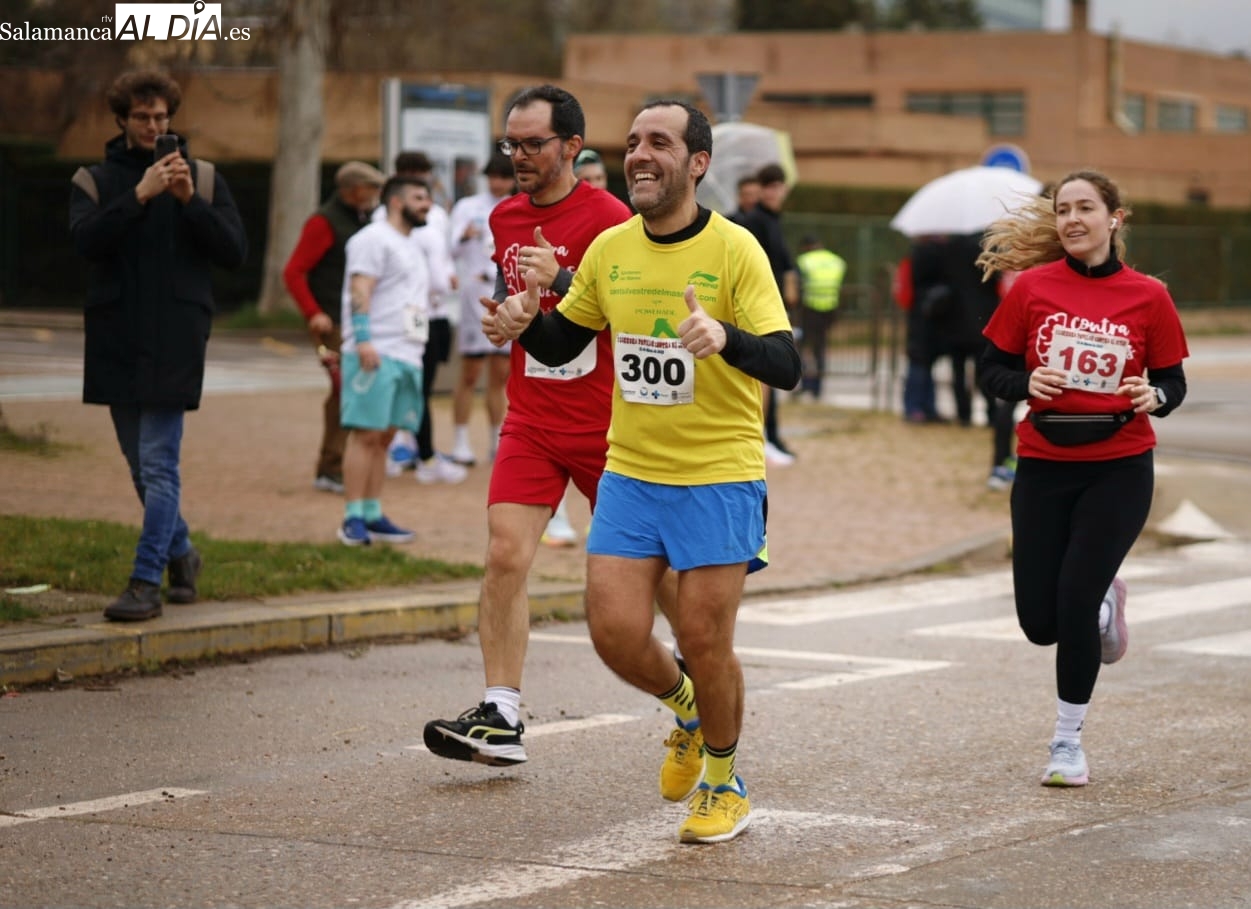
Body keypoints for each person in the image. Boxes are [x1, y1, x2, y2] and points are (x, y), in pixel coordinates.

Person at [489, 100, 801, 844]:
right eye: (631, 142)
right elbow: (567, 342)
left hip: (717, 473)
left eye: (658, 142)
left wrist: (724, 335)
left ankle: (724, 779)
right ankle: (689, 710)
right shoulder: (611, 248)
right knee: (614, 631)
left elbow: (787, 363)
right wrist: (526, 319)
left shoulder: (735, 250)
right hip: (630, 469)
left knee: (702, 634)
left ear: (696, 163)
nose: (638, 154)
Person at [423, 85, 685, 779]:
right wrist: (509, 317)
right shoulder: (504, 216)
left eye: (533, 144)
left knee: (651, 572)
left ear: (571, 145)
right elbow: (531, 312)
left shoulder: (613, 218)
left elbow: (623, 308)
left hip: (606, 425)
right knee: (505, 553)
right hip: (532, 417)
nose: (519, 157)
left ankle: (700, 677)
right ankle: (501, 714)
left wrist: (564, 276)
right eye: (511, 144)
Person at [976, 169, 1189, 787]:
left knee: (1070, 601)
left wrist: (1155, 394)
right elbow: (989, 370)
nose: (1072, 219)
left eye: (1085, 208)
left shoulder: (1149, 296)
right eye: (1063, 209)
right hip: (1043, 463)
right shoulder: (1032, 288)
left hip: (1120, 467)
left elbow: (1174, 382)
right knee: (1039, 623)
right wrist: (1024, 383)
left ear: (1114, 218)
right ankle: (1104, 601)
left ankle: (1066, 742)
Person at [69, 68, 247, 621]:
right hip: (117, 334)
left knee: (159, 463)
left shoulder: (206, 177)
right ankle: (183, 553)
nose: (153, 126)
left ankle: (146, 580)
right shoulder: (93, 180)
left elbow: (235, 252)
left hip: (175, 335)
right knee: (138, 465)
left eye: (162, 117)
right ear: (122, 120)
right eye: (142, 118)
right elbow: (84, 242)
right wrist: (139, 196)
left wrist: (189, 201)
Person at [335, 175, 434, 546]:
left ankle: (373, 513)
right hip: (377, 351)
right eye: (419, 197)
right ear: (396, 201)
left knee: (385, 438)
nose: (426, 204)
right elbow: (360, 289)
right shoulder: (372, 238)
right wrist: (363, 340)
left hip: (408, 352)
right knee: (365, 435)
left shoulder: (411, 244)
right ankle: (352, 517)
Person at [283, 160, 386, 495]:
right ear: (352, 191)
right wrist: (313, 313)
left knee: (348, 390)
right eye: (370, 189)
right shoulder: (323, 223)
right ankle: (331, 466)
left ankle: (336, 464)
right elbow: (294, 272)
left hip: (353, 320)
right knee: (346, 389)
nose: (375, 196)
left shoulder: (362, 218)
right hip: (331, 320)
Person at [382, 151, 467, 486]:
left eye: (426, 186)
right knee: (409, 386)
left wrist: (447, 278)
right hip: (405, 317)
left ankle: (416, 448)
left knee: (422, 386)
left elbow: (442, 259)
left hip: (435, 314)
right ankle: (416, 452)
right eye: (416, 190)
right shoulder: (384, 223)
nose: (425, 199)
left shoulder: (436, 219)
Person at [448, 151, 516, 467]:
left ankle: (495, 442)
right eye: (494, 176)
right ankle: (460, 440)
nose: (499, 182)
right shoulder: (468, 207)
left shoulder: (517, 207)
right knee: (470, 371)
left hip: (504, 294)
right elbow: (450, 247)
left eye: (505, 177)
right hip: (475, 293)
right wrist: (465, 234)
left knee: (500, 374)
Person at [739, 163, 800, 466]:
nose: (775, 192)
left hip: (775, 307)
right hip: (756, 309)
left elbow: (784, 264)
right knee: (761, 377)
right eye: (770, 187)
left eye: (779, 187)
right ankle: (759, 437)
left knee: (771, 377)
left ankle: (769, 436)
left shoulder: (774, 221)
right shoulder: (755, 221)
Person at [795, 234, 847, 399]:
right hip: (830, 308)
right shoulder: (836, 260)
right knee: (820, 348)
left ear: (806, 247)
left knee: (802, 347)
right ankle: (818, 388)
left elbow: (796, 282)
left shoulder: (804, 260)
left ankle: (805, 384)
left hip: (809, 307)